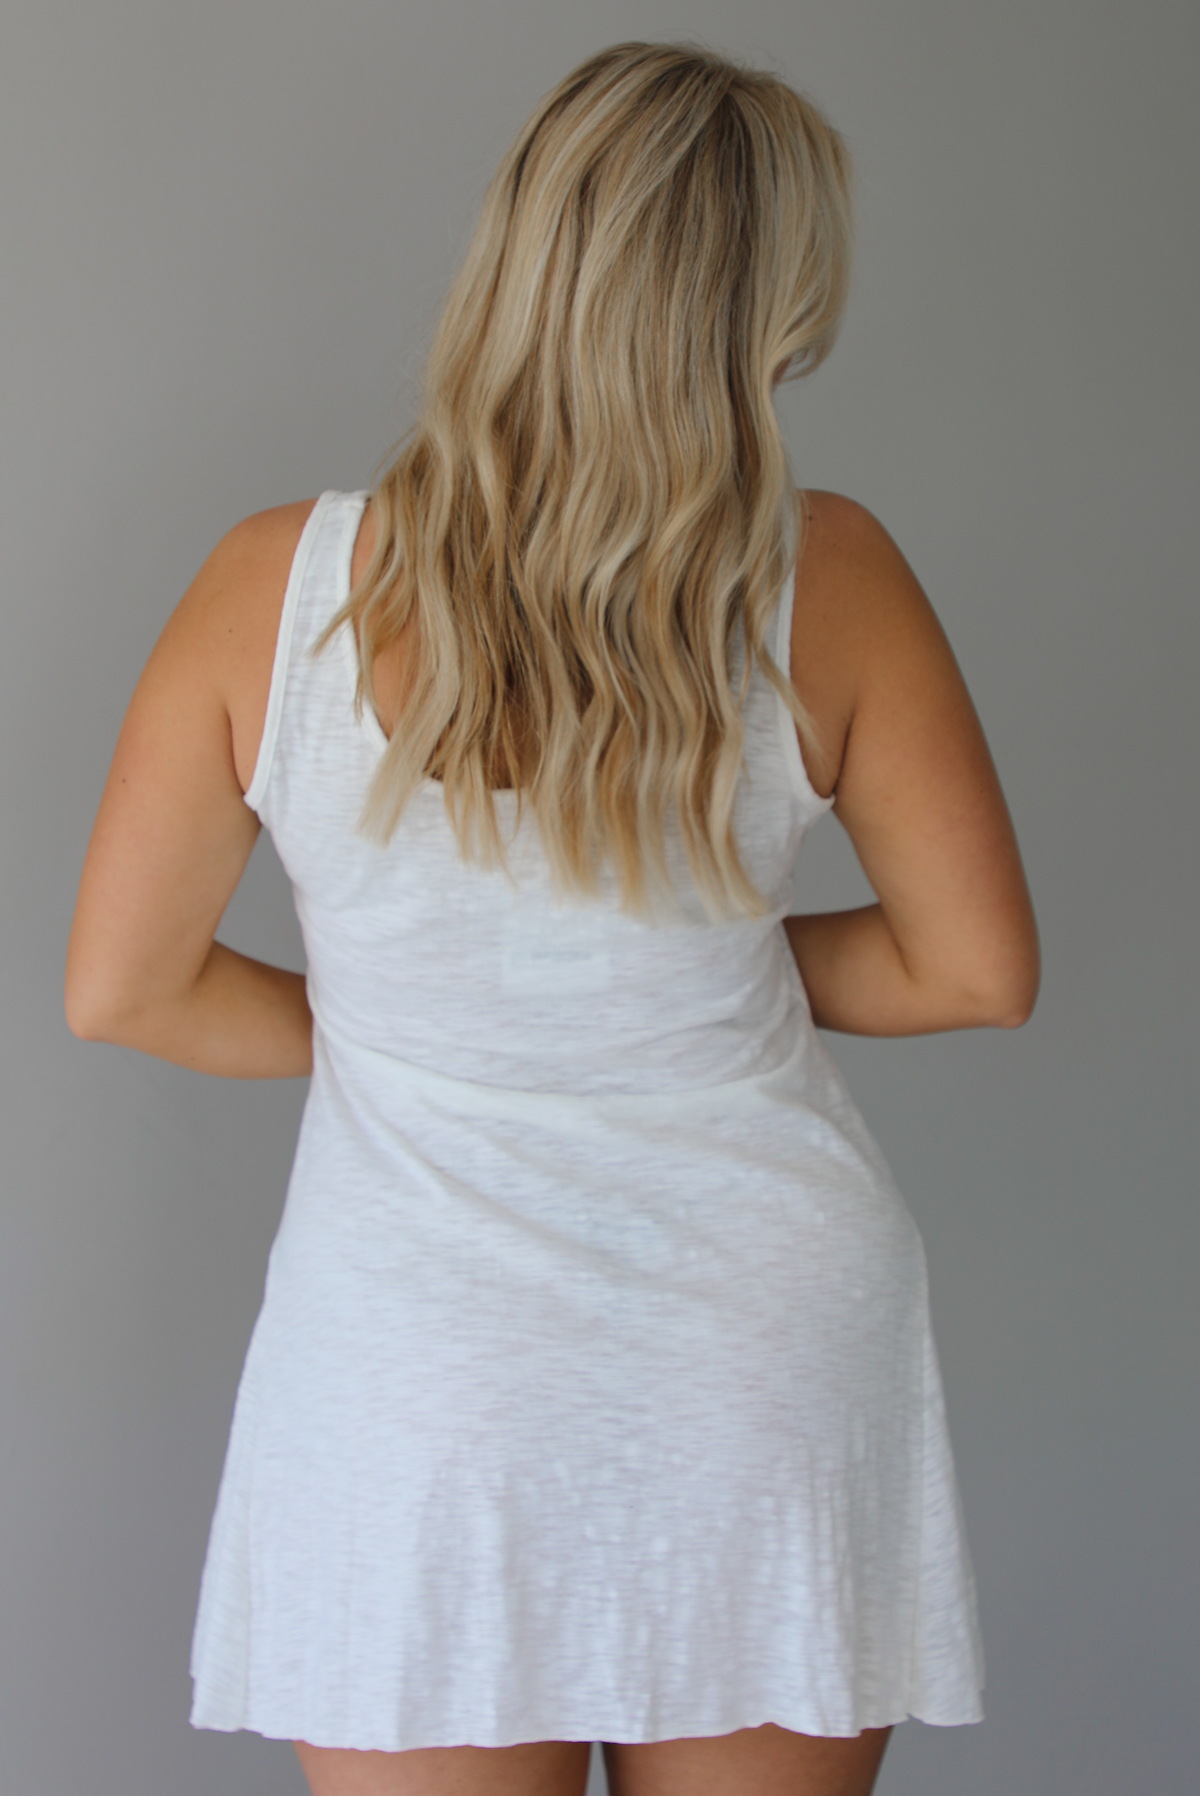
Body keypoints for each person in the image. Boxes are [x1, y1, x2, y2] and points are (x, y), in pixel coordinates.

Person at [64, 40, 1040, 1796]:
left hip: (418, 1381)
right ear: (757, 311)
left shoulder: (272, 588)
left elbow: (122, 990)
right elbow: (971, 969)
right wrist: (688, 980)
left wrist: (414, 1016)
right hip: (754, 1361)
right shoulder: (833, 578)